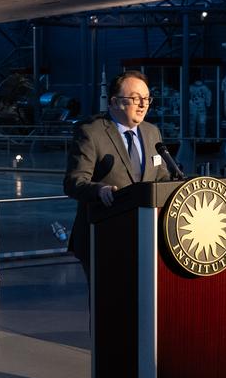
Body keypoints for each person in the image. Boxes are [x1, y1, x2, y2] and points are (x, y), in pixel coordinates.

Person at [63, 70, 179, 274]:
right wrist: (99, 190)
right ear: (115, 102)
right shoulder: (91, 132)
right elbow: (74, 182)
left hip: (145, 237)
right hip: (102, 235)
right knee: (109, 303)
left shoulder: (152, 132)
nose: (143, 105)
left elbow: (160, 177)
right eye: (135, 98)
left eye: (146, 98)